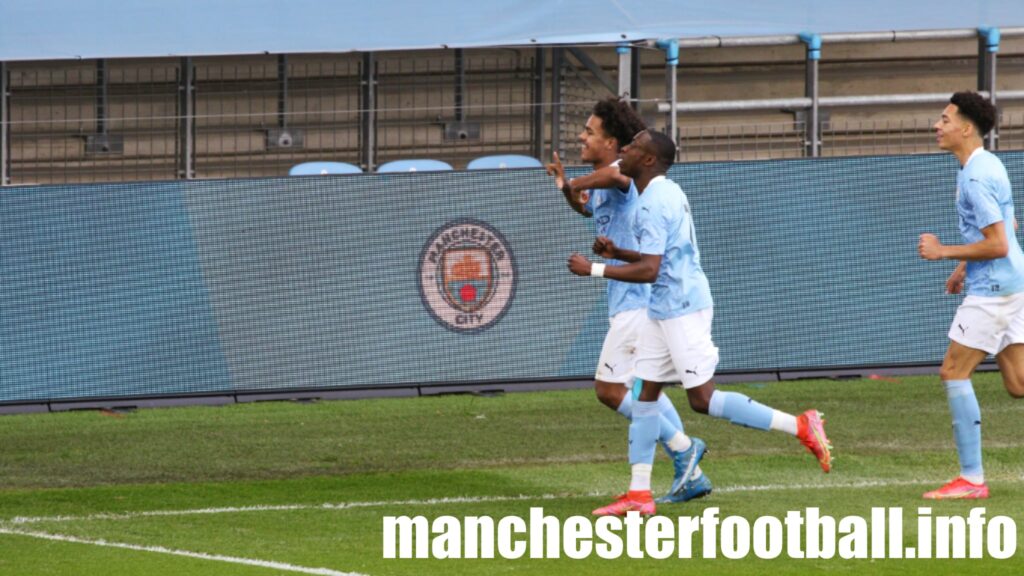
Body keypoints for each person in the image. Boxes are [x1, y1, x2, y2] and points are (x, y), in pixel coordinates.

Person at [569, 129, 832, 516]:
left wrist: (595, 268)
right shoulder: (662, 192)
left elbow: (650, 270)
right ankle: (638, 493)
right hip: (663, 307)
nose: (623, 149)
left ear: (647, 161)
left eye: (633, 146)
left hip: (682, 308)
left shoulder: (652, 202)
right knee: (645, 397)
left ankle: (801, 425)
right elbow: (655, 256)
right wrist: (619, 251)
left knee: (702, 400)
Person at [548, 98, 711, 504]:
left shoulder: (622, 173)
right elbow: (588, 210)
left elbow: (614, 179)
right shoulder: (605, 178)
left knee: (611, 389)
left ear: (613, 142)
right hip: (626, 298)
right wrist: (571, 194)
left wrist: (575, 184)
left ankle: (683, 450)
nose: (581, 137)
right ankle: (685, 458)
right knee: (641, 389)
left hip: (638, 298)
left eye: (590, 131)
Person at [917, 91, 1024, 500]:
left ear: (966, 128)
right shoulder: (987, 163)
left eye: (944, 119)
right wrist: (964, 266)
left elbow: (997, 242)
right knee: (1017, 383)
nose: (936, 126)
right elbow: (1008, 224)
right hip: (1013, 283)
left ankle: (971, 480)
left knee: (953, 372)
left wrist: (944, 251)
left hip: (995, 290)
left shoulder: (976, 176)